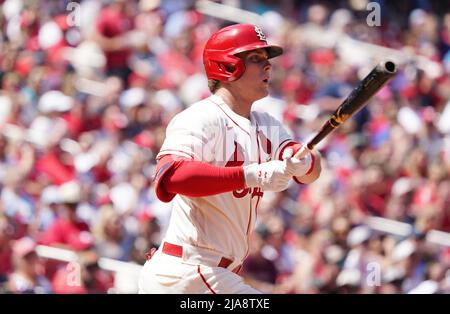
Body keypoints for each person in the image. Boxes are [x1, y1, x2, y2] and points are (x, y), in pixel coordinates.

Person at [138, 24, 322, 294]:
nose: (268, 67)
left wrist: (303, 161)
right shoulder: (201, 116)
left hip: (211, 273)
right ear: (227, 66)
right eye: (256, 59)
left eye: (267, 59)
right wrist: (253, 174)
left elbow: (308, 168)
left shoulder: (266, 123)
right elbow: (172, 177)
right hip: (187, 272)